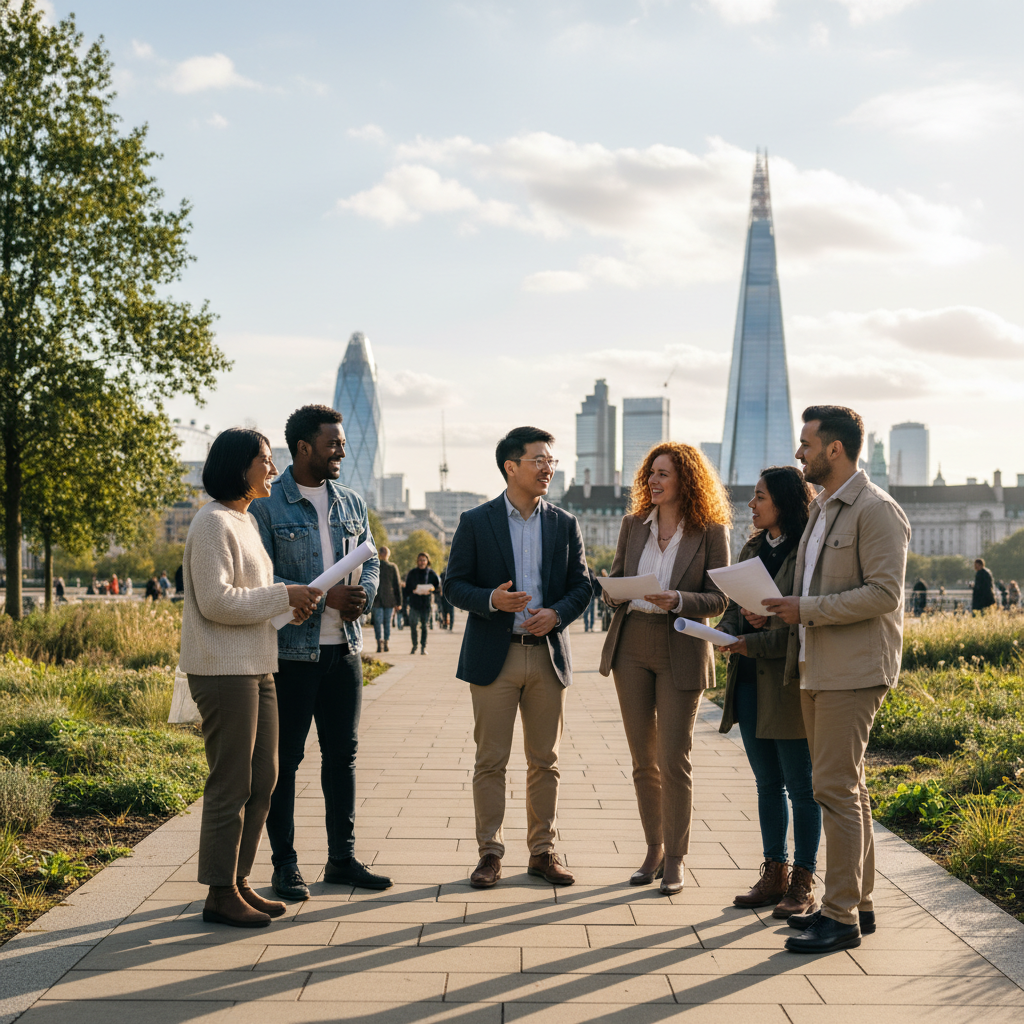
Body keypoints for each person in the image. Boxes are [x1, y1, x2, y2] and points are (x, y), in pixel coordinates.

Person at [762, 405, 910, 955]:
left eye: (806, 443)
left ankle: (840, 915)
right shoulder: (823, 508)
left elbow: (884, 593)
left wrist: (809, 609)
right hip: (816, 666)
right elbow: (810, 591)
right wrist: (776, 609)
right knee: (851, 789)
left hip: (852, 671)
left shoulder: (875, 510)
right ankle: (860, 905)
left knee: (833, 790)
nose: (799, 452)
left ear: (835, 449)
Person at [179, 427, 322, 928]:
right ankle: (219, 893)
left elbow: (253, 597)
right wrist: (284, 596)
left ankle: (238, 880)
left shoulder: (243, 521)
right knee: (232, 781)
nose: (273, 468)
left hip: (257, 664)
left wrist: (289, 603)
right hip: (223, 669)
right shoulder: (213, 523)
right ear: (239, 466)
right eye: (265, 459)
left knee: (265, 777)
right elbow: (216, 601)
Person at [251, 404, 387, 902]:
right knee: (284, 762)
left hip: (344, 652)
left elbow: (369, 559)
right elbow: (260, 581)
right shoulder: (267, 506)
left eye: (344, 442)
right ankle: (284, 865)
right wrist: (319, 595)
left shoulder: (351, 501)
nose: (342, 451)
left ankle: (341, 859)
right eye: (333, 444)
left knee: (342, 758)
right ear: (304, 447)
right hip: (290, 656)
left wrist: (364, 596)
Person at [445, 426, 591, 889]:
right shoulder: (476, 520)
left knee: (545, 760)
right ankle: (490, 853)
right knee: (490, 760)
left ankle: (542, 851)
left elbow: (583, 586)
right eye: (539, 460)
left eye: (552, 461)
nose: (548, 468)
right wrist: (491, 599)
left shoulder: (564, 523)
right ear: (511, 466)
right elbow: (454, 585)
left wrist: (557, 614)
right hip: (495, 656)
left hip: (546, 656)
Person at [599, 442, 730, 895]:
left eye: (663, 474)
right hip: (631, 643)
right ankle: (653, 848)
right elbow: (614, 583)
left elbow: (719, 597)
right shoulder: (632, 525)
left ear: (686, 481)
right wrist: (613, 590)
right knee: (643, 761)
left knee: (673, 759)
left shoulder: (710, 531)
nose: (653, 481)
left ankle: (676, 857)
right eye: (651, 473)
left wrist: (677, 599)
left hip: (681, 644)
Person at [717, 466, 820, 919]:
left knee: (801, 787)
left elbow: (800, 625)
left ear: (782, 501)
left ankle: (803, 880)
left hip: (786, 682)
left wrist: (755, 635)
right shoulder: (752, 546)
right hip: (748, 681)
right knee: (766, 784)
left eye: (759, 497)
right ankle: (773, 872)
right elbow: (736, 610)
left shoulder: (807, 552)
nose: (751, 505)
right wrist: (725, 632)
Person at [404, 553, 440, 654]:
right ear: (417, 561)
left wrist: (431, 589)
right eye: (420, 560)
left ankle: (423, 647)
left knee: (425, 626)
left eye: (424, 560)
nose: (422, 562)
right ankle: (414, 645)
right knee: (413, 625)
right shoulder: (412, 573)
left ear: (427, 561)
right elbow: (407, 589)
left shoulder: (432, 574)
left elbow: (438, 588)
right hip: (414, 603)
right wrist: (413, 590)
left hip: (426, 604)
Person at [370, 545, 402, 652]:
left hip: (377, 599)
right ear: (388, 554)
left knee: (378, 623)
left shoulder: (374, 565)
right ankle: (385, 642)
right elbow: (397, 585)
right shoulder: (392, 567)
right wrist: (398, 602)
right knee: (386, 622)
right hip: (388, 599)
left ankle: (380, 643)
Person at [582, 566, 599, 632]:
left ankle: (587, 626)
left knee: (586, 612)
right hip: (592, 595)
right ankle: (590, 627)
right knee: (591, 612)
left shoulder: (584, 570)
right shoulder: (591, 571)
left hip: (587, 595)